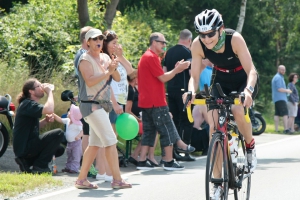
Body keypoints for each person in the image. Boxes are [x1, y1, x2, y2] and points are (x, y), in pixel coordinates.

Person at [183, 9, 259, 197]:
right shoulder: (197, 45)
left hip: (243, 78)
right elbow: (194, 76)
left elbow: (252, 71)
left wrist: (248, 91)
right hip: (221, 79)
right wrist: (191, 91)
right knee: (214, 128)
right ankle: (218, 184)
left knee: (236, 108)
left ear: (221, 29)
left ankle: (249, 146)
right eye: (202, 34)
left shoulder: (234, 39)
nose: (207, 39)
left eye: (210, 34)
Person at [76, 28, 131, 189]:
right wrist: (108, 71)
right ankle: (117, 179)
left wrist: (114, 66)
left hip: (102, 106)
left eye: (100, 38)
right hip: (91, 106)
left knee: (94, 144)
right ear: (88, 42)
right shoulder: (84, 59)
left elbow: (118, 77)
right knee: (110, 141)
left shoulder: (105, 57)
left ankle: (81, 180)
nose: (98, 41)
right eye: (94, 39)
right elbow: (90, 81)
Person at [137, 32, 195, 171]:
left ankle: (142, 159)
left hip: (147, 100)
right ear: (154, 42)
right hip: (155, 100)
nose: (164, 45)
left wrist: (175, 68)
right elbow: (163, 78)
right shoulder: (151, 57)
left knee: (150, 131)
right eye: (162, 42)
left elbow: (160, 76)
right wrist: (178, 69)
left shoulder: (148, 57)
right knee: (167, 129)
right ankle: (168, 160)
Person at [13, 78, 65, 174]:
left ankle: (27, 162)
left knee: (59, 149)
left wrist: (45, 121)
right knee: (58, 133)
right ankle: (40, 166)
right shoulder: (27, 104)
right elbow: (49, 109)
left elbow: (32, 128)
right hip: (24, 148)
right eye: (39, 86)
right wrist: (49, 92)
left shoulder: (29, 105)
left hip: (27, 147)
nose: (42, 87)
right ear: (31, 91)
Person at [163, 29, 195, 162]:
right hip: (184, 91)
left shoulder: (168, 52)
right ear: (189, 40)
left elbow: (164, 71)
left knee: (174, 120)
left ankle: (174, 151)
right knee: (187, 120)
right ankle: (185, 150)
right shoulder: (188, 52)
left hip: (170, 89)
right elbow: (191, 73)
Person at [125, 70, 159, 166]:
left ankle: (136, 155)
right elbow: (127, 110)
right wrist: (138, 119)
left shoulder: (134, 89)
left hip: (136, 118)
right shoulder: (130, 90)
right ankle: (144, 156)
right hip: (130, 121)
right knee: (151, 129)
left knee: (152, 128)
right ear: (135, 79)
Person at [53, 104, 83, 173]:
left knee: (76, 157)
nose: (68, 113)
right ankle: (68, 167)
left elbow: (83, 131)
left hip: (76, 143)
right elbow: (60, 120)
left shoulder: (78, 124)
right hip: (69, 143)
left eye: (70, 112)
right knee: (69, 156)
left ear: (74, 115)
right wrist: (54, 115)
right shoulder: (67, 120)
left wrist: (78, 136)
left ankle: (74, 168)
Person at [271, 65, 292, 133]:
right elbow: (279, 89)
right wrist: (287, 90)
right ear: (278, 70)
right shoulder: (278, 77)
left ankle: (276, 129)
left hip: (276, 98)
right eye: (282, 70)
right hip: (280, 98)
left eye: (284, 70)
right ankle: (286, 129)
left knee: (277, 114)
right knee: (285, 113)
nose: (283, 71)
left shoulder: (278, 77)